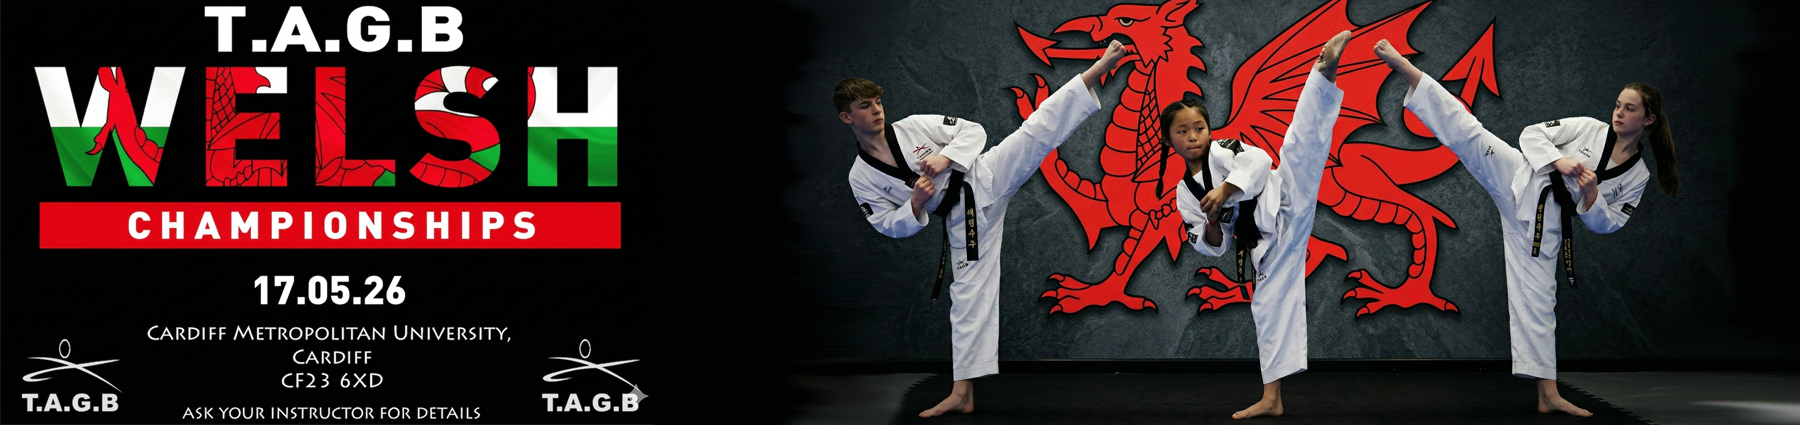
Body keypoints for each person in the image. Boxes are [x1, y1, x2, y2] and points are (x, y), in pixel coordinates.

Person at [1373, 38, 1679, 417]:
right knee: (1471, 133)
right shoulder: (1590, 128)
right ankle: (1408, 71)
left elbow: (1608, 224)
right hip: (1519, 176)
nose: (1618, 113)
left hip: (1543, 225)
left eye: (1629, 109)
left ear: (1648, 120)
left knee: (1539, 303)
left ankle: (1547, 395)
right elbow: (1533, 133)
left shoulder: (1638, 175)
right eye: (1618, 105)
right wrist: (1558, 161)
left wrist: (1592, 195)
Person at [837, 40, 1127, 418]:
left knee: (1035, 130)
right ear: (846, 117)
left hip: (983, 176)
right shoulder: (860, 177)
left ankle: (1098, 69)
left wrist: (945, 158)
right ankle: (962, 394)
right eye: (865, 106)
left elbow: (971, 131)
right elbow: (885, 224)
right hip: (963, 221)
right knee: (968, 299)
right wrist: (915, 205)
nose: (876, 110)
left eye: (877, 102)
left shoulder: (911, 127)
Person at [1171, 30, 1352, 419]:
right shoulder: (1184, 193)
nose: (1193, 136)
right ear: (1170, 140)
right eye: (1182, 131)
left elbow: (1259, 160)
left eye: (1198, 128)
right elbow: (1210, 244)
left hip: (1282, 198)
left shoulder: (1223, 150)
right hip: (1267, 245)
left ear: (1209, 131)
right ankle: (1273, 399)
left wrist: (1224, 190)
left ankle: (1324, 72)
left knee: (1300, 147)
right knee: (1267, 308)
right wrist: (1212, 220)